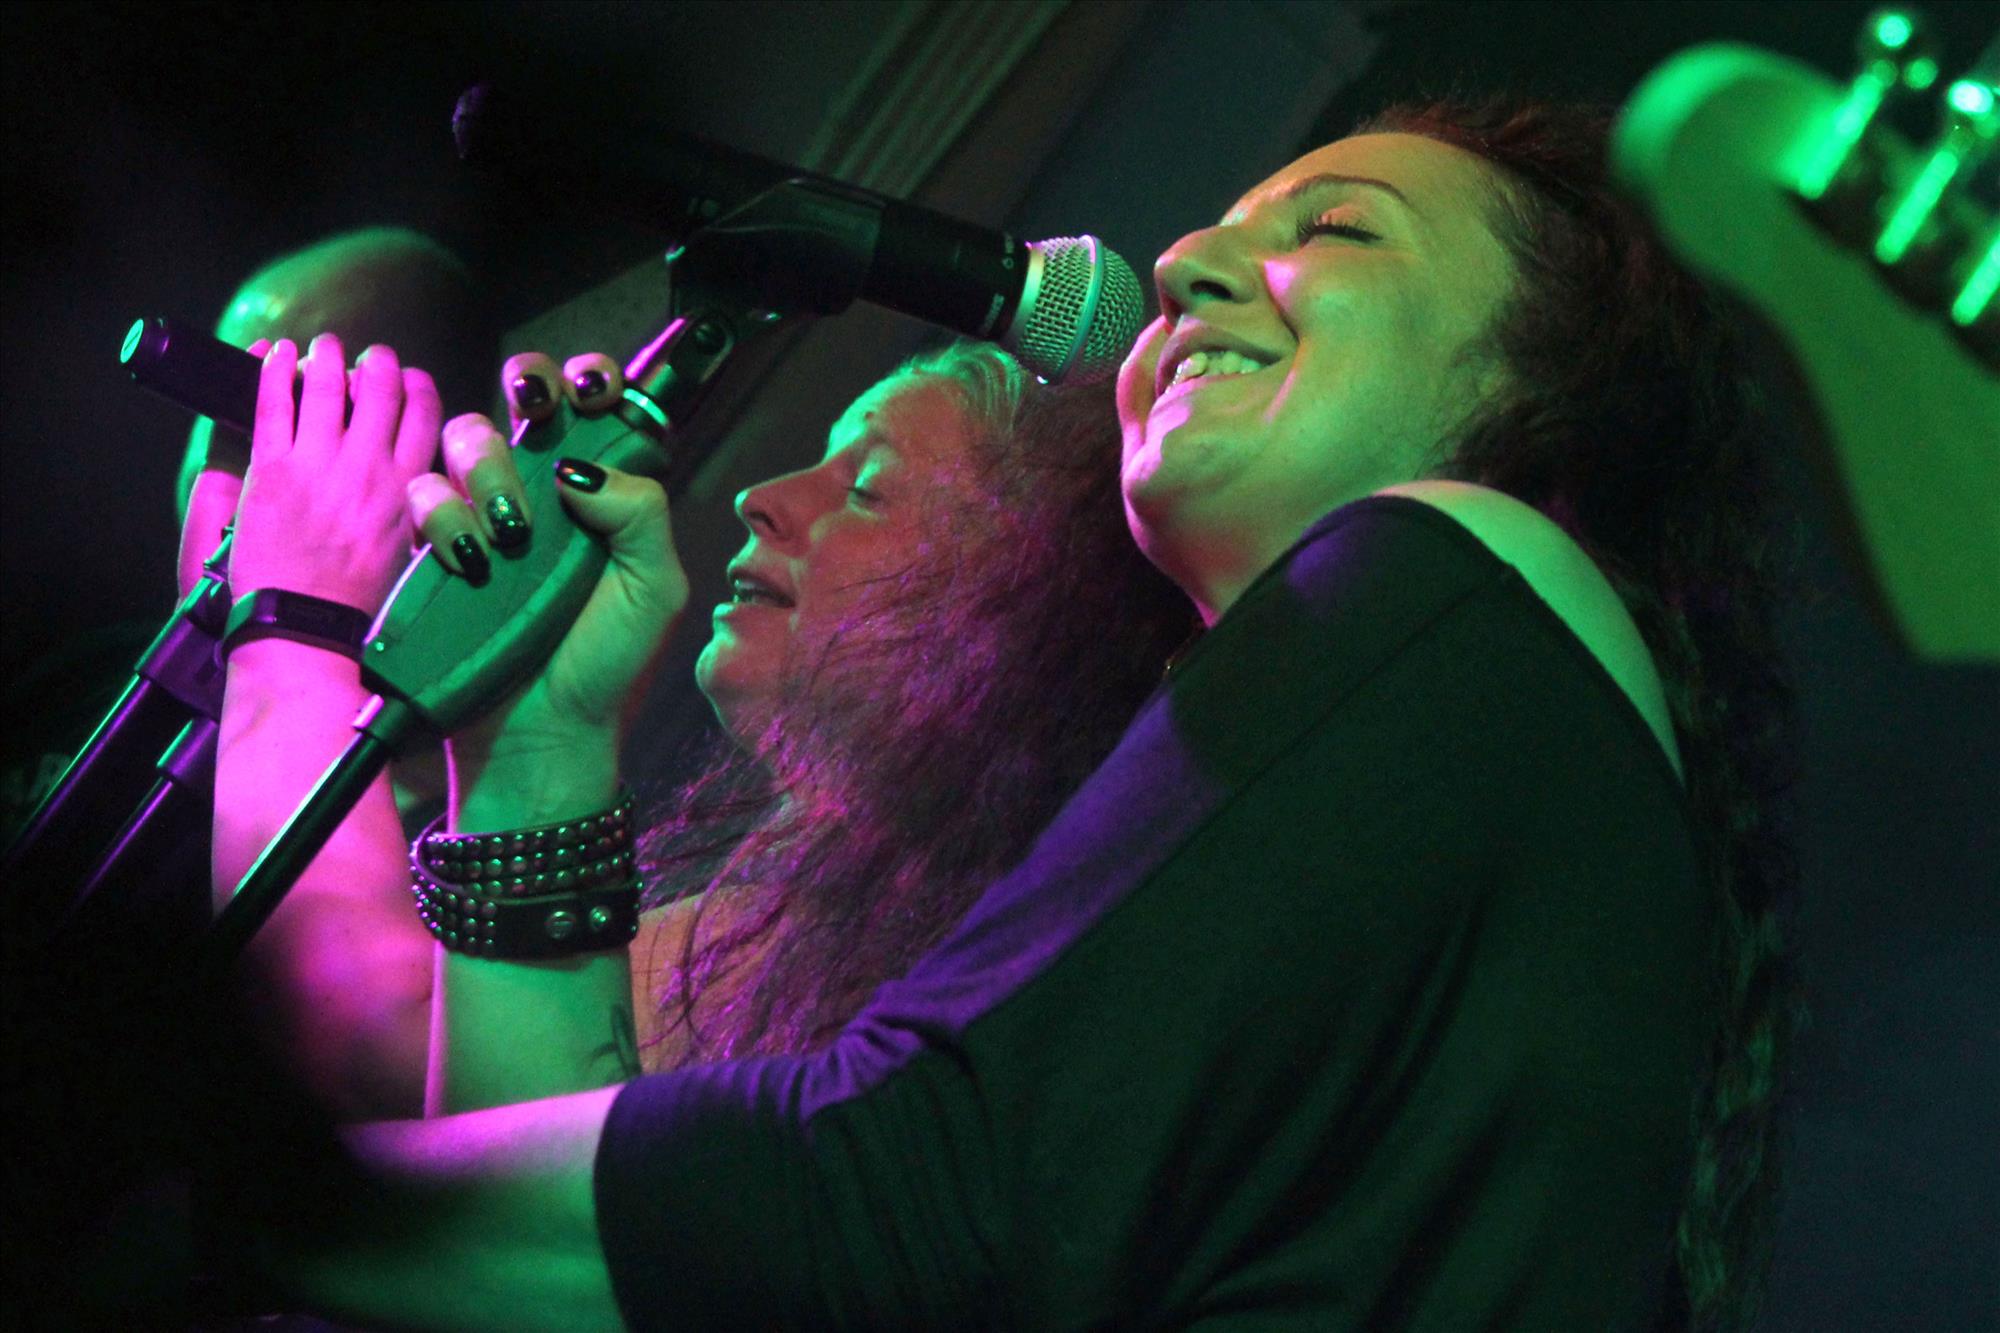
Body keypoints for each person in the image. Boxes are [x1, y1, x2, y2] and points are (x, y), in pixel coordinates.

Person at [196, 95, 1800, 1332]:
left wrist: (219, 1192)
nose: (1186, 260)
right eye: (1225, 223)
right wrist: (538, 747)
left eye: (1341, 230)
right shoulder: (1385, 763)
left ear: (1544, 386)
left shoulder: (1475, 560)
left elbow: (905, 1200)